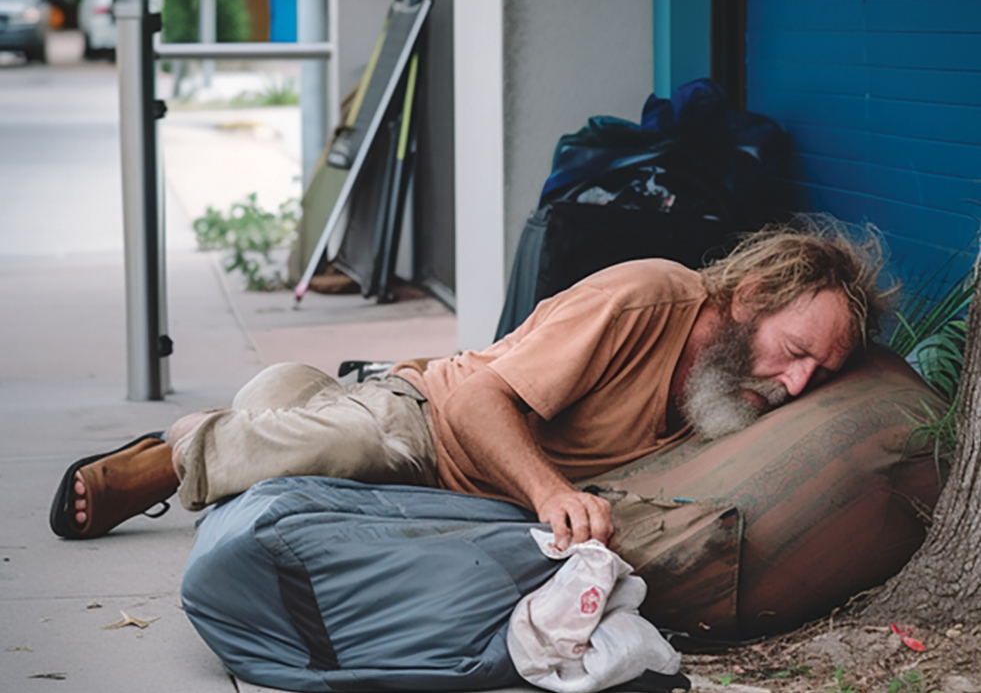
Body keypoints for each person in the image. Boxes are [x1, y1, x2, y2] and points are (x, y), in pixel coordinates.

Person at [51, 215, 891, 548]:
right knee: (361, 441)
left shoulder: (731, 389)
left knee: (298, 435)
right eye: (794, 350)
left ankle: (282, 401)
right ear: (750, 294)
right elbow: (481, 396)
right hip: (435, 417)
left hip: (471, 483)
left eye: (820, 372)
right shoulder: (649, 296)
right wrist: (549, 492)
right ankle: (171, 456)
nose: (797, 382)